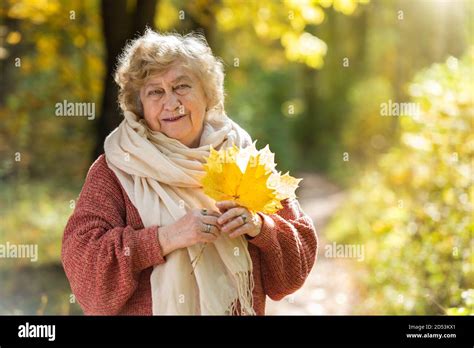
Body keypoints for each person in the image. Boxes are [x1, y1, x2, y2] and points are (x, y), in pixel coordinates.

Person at [61, 29, 317, 315]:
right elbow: (84, 268)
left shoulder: (244, 158)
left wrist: (261, 227)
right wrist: (165, 238)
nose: (171, 103)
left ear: (207, 94)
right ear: (140, 106)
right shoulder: (116, 168)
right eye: (155, 92)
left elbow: (297, 267)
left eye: (182, 86)